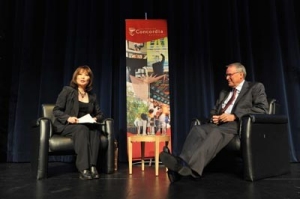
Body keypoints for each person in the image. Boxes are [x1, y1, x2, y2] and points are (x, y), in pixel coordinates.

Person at [159, 62, 269, 183]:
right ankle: (180, 163)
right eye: (226, 75)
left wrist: (234, 116)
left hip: (238, 124)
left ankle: (192, 169)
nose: (227, 78)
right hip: (219, 123)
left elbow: (262, 109)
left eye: (230, 75)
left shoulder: (255, 87)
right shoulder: (224, 92)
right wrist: (214, 117)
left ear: (241, 75)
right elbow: (213, 110)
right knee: (198, 130)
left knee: (217, 132)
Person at [53, 65, 104, 180]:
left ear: (89, 79)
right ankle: (84, 168)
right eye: (80, 74)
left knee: (95, 130)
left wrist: (96, 119)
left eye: (86, 75)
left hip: (85, 124)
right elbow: (56, 110)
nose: (83, 77)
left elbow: (100, 114)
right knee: (82, 129)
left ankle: (92, 166)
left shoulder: (92, 96)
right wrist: (68, 118)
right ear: (75, 77)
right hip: (68, 125)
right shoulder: (67, 91)